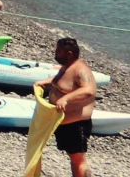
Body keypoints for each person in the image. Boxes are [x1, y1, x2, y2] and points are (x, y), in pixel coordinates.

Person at [41, 37, 97, 177]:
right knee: (73, 159)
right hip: (63, 122)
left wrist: (66, 98)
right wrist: (43, 83)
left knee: (79, 160)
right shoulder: (67, 66)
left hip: (76, 124)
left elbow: (88, 90)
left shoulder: (81, 70)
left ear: (69, 53)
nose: (55, 53)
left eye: (59, 51)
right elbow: (60, 82)